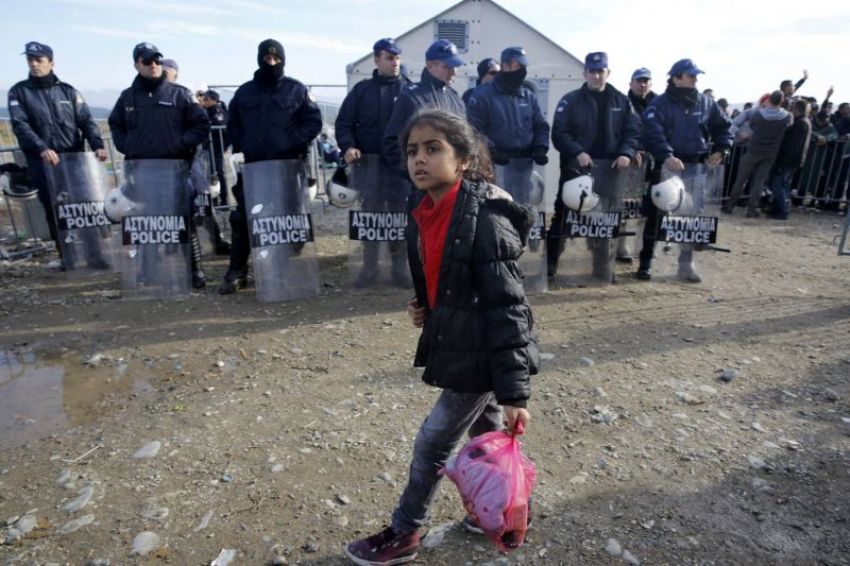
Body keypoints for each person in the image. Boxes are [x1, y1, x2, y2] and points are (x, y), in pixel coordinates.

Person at [344, 108, 538, 566]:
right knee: (486, 428)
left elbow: (507, 309)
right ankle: (503, 511)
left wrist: (514, 392)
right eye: (413, 151)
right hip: (461, 337)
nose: (420, 159)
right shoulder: (426, 210)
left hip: (480, 350)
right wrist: (428, 308)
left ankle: (404, 532)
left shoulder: (484, 220)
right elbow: (446, 276)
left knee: (433, 442)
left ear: (465, 159)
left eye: (434, 149)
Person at [218, 38, 323, 295]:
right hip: (255, 168)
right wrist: (244, 144)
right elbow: (233, 125)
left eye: (276, 59)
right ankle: (237, 271)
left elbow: (313, 122)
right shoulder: (245, 93)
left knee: (286, 220)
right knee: (242, 218)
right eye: (267, 59)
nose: (272, 63)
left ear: (283, 60)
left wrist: (290, 141)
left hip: (288, 168)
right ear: (260, 60)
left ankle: (282, 269)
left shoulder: (296, 90)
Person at [108, 42, 211, 287]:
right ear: (136, 64)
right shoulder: (127, 97)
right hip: (142, 172)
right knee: (146, 222)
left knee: (183, 220)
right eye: (147, 61)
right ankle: (148, 270)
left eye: (156, 59)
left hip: (175, 171)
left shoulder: (180, 94)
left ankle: (195, 270)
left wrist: (180, 143)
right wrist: (128, 145)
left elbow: (201, 125)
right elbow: (115, 125)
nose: (153, 64)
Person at [8, 41, 108, 269]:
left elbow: (86, 121)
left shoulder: (68, 91)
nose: (34, 64)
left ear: (51, 62)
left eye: (39, 60)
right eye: (30, 60)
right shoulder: (19, 92)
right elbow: (20, 125)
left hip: (74, 161)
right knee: (55, 211)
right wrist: (41, 148)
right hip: (43, 163)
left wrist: (98, 144)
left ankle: (95, 256)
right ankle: (68, 257)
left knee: (85, 208)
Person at [636, 58, 733, 282]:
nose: (696, 79)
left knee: (691, 217)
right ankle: (646, 262)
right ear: (677, 78)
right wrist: (667, 155)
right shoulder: (659, 104)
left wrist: (721, 149)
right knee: (656, 214)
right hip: (666, 168)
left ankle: (686, 264)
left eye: (696, 75)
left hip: (696, 167)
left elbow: (724, 128)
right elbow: (652, 132)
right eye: (691, 76)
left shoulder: (706, 103)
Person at [547, 51, 641, 280]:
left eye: (601, 71)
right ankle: (551, 264)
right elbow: (559, 133)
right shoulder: (570, 100)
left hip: (610, 172)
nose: (597, 76)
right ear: (585, 73)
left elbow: (633, 131)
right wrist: (577, 151)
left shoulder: (622, 100)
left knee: (605, 220)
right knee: (564, 215)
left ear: (608, 73)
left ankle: (602, 267)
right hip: (576, 170)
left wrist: (626, 152)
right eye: (592, 71)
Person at [335, 37, 412, 287]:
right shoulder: (362, 90)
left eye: (397, 58)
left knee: (400, 219)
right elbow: (344, 122)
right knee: (370, 218)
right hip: (369, 167)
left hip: (400, 168)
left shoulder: (409, 91)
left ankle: (400, 270)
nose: (395, 63)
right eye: (390, 58)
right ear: (377, 59)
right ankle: (369, 269)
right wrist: (348, 146)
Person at [466, 46, 550, 203]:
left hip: (524, 168)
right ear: (505, 66)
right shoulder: (483, 94)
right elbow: (474, 129)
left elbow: (541, 126)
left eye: (522, 66)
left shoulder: (528, 97)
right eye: (516, 66)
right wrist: (491, 151)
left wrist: (540, 147)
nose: (520, 70)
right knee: (497, 213)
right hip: (494, 168)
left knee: (521, 211)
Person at [382, 39, 466, 177]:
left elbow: (465, 140)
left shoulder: (456, 99)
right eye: (448, 66)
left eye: (455, 66)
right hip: (424, 186)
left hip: (453, 182)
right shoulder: (412, 98)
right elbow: (392, 143)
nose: (453, 72)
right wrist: (415, 174)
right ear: (430, 65)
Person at [724, 90, 792, 217]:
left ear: (769, 99)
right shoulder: (787, 116)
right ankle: (752, 209)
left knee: (740, 179)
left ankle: (730, 206)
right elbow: (788, 127)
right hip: (771, 152)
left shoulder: (757, 114)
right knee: (759, 182)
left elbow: (752, 126)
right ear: (782, 102)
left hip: (753, 149)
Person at [768, 99, 811, 219]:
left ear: (796, 108)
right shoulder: (803, 122)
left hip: (789, 161)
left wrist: (782, 162)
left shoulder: (801, 123)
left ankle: (782, 209)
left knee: (778, 185)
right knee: (783, 185)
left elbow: (793, 146)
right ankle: (780, 208)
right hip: (792, 161)